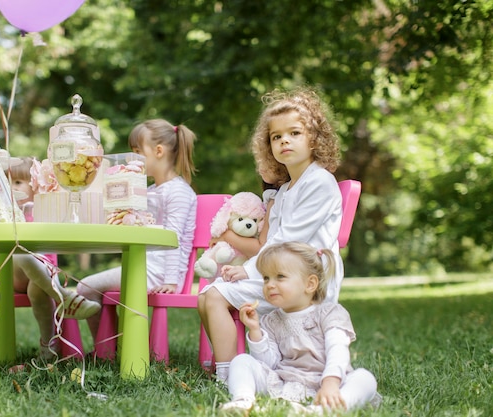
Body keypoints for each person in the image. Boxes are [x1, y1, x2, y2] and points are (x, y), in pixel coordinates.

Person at [198, 86, 343, 383]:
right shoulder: (286, 189)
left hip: (307, 278)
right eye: (276, 137)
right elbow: (271, 240)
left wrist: (250, 271)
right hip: (282, 271)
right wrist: (250, 271)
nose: (284, 141)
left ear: (314, 138)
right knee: (206, 297)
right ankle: (230, 364)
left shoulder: (320, 183)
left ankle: (226, 376)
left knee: (213, 296)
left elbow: (286, 241)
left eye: (294, 133)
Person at [220, 242, 380, 414]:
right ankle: (243, 400)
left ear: (310, 284)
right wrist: (255, 330)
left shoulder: (330, 313)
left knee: (365, 378)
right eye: (266, 278)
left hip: (327, 382)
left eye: (280, 276)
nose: (269, 284)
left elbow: (337, 350)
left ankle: (322, 410)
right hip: (286, 382)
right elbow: (269, 364)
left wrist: (331, 383)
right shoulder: (271, 320)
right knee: (241, 360)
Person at [77, 119, 198, 341]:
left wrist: (171, 281)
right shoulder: (150, 190)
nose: (132, 158)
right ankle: (109, 347)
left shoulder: (178, 192)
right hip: (146, 267)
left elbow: (173, 238)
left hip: (160, 274)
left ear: (158, 151)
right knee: (88, 287)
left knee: (86, 288)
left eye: (137, 151)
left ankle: (105, 350)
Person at [7, 157, 101, 360]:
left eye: (17, 182)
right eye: (8, 182)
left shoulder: (44, 211)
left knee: (37, 287)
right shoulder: (4, 213)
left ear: (35, 187)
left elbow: (50, 256)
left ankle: (48, 347)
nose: (11, 188)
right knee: (20, 251)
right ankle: (64, 297)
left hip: (42, 275)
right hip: (13, 276)